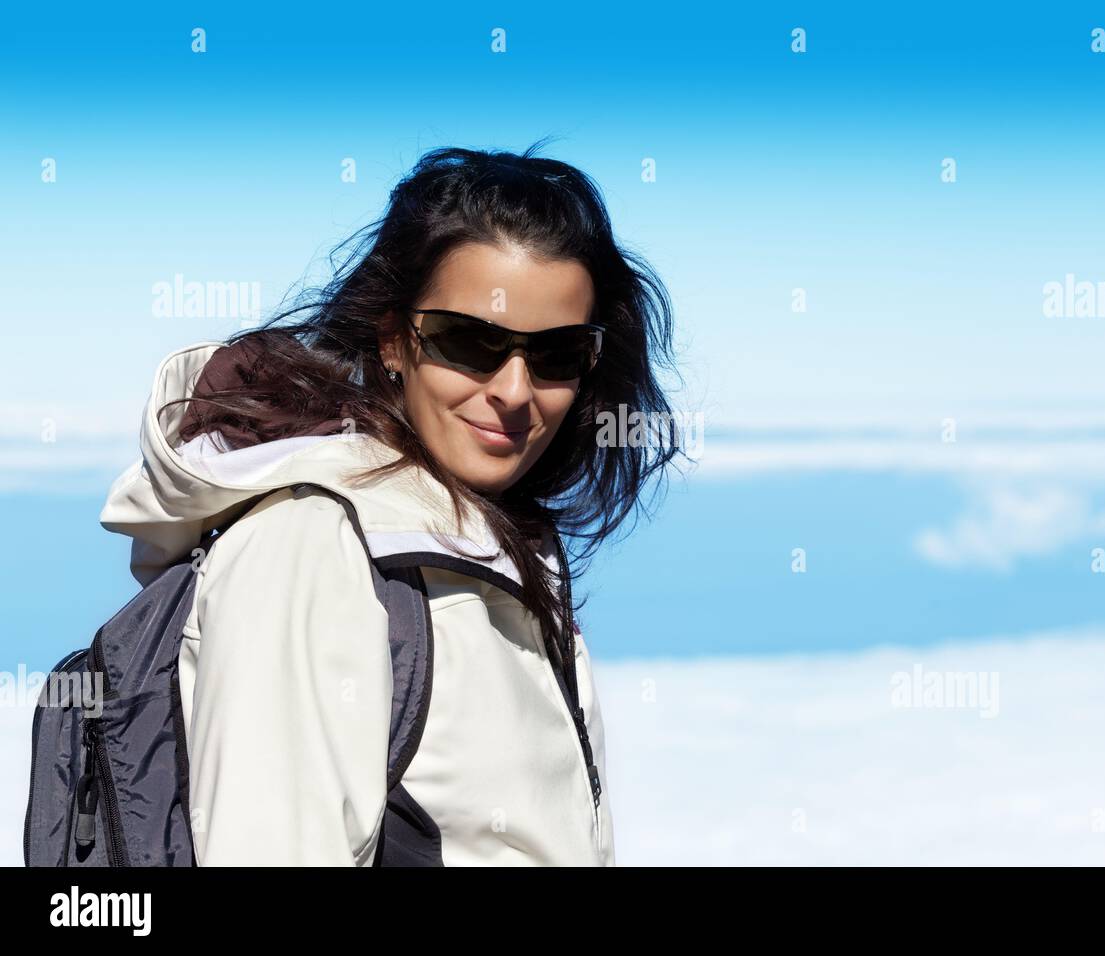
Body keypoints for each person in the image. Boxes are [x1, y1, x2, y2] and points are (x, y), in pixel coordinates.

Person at [98, 142, 684, 865]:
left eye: (557, 353)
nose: (514, 390)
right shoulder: (312, 548)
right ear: (394, 342)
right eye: (470, 341)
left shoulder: (484, 546)